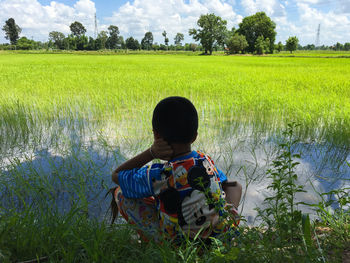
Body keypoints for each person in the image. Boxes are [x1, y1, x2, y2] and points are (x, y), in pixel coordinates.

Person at [111, 96, 242, 242]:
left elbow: (116, 175)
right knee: (235, 185)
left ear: (156, 135)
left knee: (120, 192)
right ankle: (227, 223)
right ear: (194, 137)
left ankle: (155, 242)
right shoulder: (204, 160)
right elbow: (223, 183)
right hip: (219, 238)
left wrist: (151, 153)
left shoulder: (158, 175)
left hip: (177, 245)